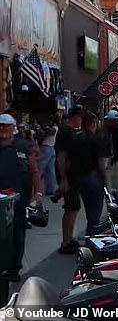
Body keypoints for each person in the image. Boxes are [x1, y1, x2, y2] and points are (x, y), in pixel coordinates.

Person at [0, 113, 42, 303]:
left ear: (12, 128)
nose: (2, 130)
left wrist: (38, 194)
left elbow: (34, 171)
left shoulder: (23, 147)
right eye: (0, 126)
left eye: (5, 126)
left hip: (19, 199)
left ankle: (14, 267)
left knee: (18, 231)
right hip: (1, 201)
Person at [55, 105, 85, 254]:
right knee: (71, 207)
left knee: (74, 207)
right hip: (68, 176)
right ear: (75, 117)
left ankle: (69, 238)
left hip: (72, 175)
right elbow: (61, 157)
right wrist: (63, 179)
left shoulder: (71, 132)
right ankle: (65, 242)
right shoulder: (65, 132)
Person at [76, 112, 108, 236]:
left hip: (80, 176)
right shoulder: (97, 140)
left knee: (89, 209)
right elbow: (101, 163)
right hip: (93, 176)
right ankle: (92, 235)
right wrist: (104, 180)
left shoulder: (76, 138)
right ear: (94, 124)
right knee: (95, 211)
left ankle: (91, 232)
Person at [37, 114, 59, 196]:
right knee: (50, 170)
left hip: (46, 147)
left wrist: (42, 130)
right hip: (51, 148)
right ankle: (50, 189)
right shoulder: (55, 128)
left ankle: (35, 188)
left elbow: (46, 134)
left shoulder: (54, 128)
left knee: (40, 168)